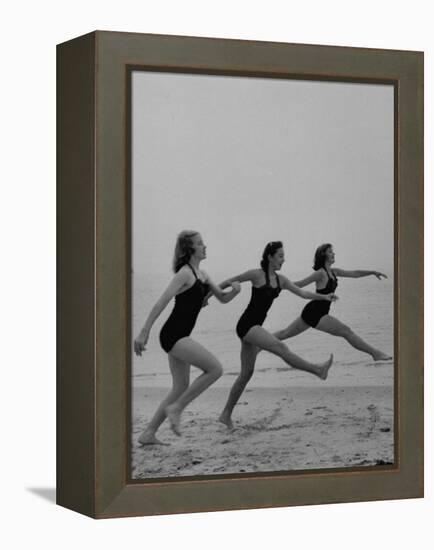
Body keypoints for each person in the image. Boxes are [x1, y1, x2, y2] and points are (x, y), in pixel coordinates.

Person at [134, 230, 241, 444]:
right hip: (173, 335)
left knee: (180, 386)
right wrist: (144, 331)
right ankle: (177, 409)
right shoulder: (185, 273)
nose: (205, 246)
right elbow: (161, 302)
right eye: (200, 243)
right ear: (190, 249)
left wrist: (235, 290)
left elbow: (222, 298)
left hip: (181, 335)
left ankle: (148, 433)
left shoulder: (203, 275)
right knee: (215, 369)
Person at [217, 241, 337, 429]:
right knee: (281, 348)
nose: (283, 259)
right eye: (280, 256)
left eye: (283, 256)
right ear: (269, 257)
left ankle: (225, 415)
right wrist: (207, 298)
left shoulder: (281, 280)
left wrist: (324, 297)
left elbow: (303, 293)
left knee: (246, 374)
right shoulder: (256, 274)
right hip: (246, 325)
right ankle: (317, 370)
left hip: (254, 327)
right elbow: (228, 281)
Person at [272, 243, 392, 361]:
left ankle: (258, 343)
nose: (333, 253)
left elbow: (354, 274)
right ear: (323, 255)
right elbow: (300, 284)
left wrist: (371, 272)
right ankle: (375, 354)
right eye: (330, 251)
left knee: (285, 333)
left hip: (314, 312)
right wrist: (278, 285)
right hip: (316, 312)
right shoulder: (320, 273)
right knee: (346, 331)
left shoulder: (334, 272)